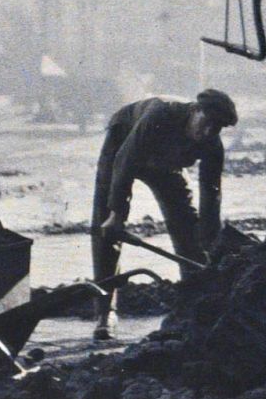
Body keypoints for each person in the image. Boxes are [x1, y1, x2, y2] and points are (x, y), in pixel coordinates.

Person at [91, 88, 237, 340]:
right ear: (195, 110)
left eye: (215, 129)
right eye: (205, 124)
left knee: (187, 228)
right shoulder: (161, 114)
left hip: (166, 165)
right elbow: (125, 162)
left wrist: (210, 242)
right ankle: (105, 312)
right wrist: (117, 215)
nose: (206, 133)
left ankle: (194, 304)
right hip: (122, 147)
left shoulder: (212, 144)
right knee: (106, 229)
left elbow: (211, 195)